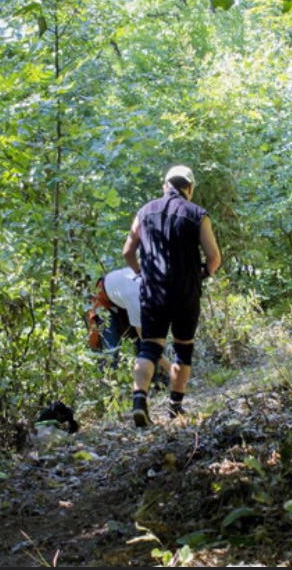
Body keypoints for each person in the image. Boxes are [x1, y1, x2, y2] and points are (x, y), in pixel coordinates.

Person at [122, 165, 221, 427]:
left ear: (165, 185)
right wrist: (204, 274)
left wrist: (142, 272)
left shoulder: (144, 212)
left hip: (153, 291)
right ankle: (175, 409)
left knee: (150, 347)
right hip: (186, 292)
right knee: (182, 349)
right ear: (189, 188)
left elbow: (127, 252)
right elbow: (214, 257)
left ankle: (139, 401)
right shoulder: (197, 214)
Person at [86, 268, 172, 381]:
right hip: (104, 299)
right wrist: (173, 369)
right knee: (112, 349)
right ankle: (108, 386)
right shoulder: (136, 297)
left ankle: (157, 382)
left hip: (122, 297)